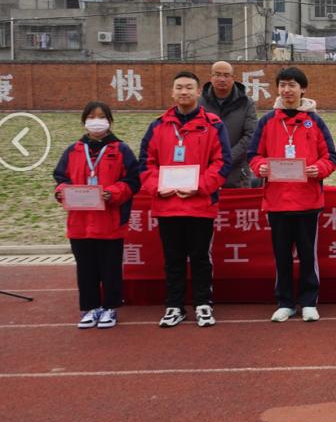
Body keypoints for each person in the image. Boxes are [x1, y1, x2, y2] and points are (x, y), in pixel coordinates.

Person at [138, 71, 232, 328]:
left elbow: (222, 163)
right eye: (179, 87)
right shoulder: (158, 125)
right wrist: (157, 187)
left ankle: (203, 304)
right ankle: (174, 306)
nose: (184, 92)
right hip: (167, 205)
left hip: (200, 205)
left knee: (201, 257)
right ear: (172, 92)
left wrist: (199, 187)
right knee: (173, 259)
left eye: (189, 87)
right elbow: (145, 163)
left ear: (199, 92)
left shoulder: (213, 124)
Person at [248, 67, 336, 323]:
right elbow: (253, 154)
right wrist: (260, 167)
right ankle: (285, 302)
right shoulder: (267, 121)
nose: (287, 90)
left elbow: (330, 156)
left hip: (307, 200)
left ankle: (309, 301)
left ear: (303, 89)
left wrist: (318, 169)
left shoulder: (315, 121)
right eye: (283, 85)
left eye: (292, 85)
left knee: (308, 255)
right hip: (277, 202)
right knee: (282, 256)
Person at [53, 102, 140, 329]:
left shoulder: (121, 150)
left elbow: (133, 180)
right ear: (84, 122)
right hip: (80, 223)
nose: (96, 121)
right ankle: (90, 308)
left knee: (110, 268)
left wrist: (113, 193)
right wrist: (61, 192)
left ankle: (110, 307)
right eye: (91, 117)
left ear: (110, 121)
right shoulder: (73, 150)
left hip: (110, 221)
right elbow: (60, 178)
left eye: (101, 117)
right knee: (85, 268)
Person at [200, 61, 257, 188]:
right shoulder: (199, 104)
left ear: (233, 78)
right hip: (206, 172)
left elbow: (250, 136)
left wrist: (227, 158)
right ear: (211, 77)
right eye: (217, 75)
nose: (222, 79)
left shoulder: (247, 103)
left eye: (226, 75)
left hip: (237, 173)